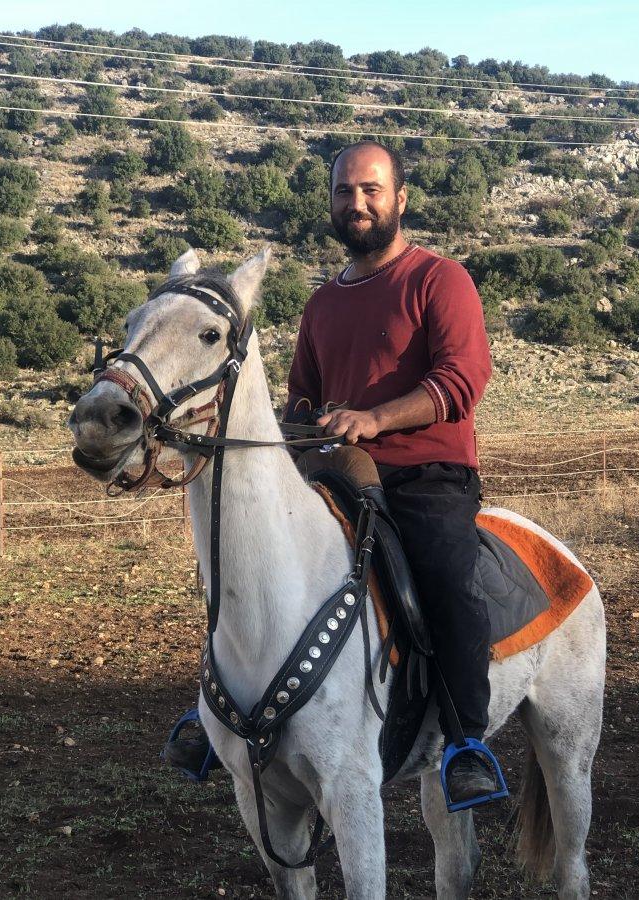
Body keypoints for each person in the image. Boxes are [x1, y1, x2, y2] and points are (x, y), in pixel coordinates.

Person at [284, 140, 496, 805]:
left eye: (372, 190)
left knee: (447, 581)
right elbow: (301, 400)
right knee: (249, 562)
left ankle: (467, 742)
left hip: (427, 476)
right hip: (339, 479)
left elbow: (463, 379)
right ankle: (221, 715)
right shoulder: (320, 305)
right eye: (345, 191)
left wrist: (374, 418)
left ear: (400, 199)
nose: (357, 203)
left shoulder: (440, 279)